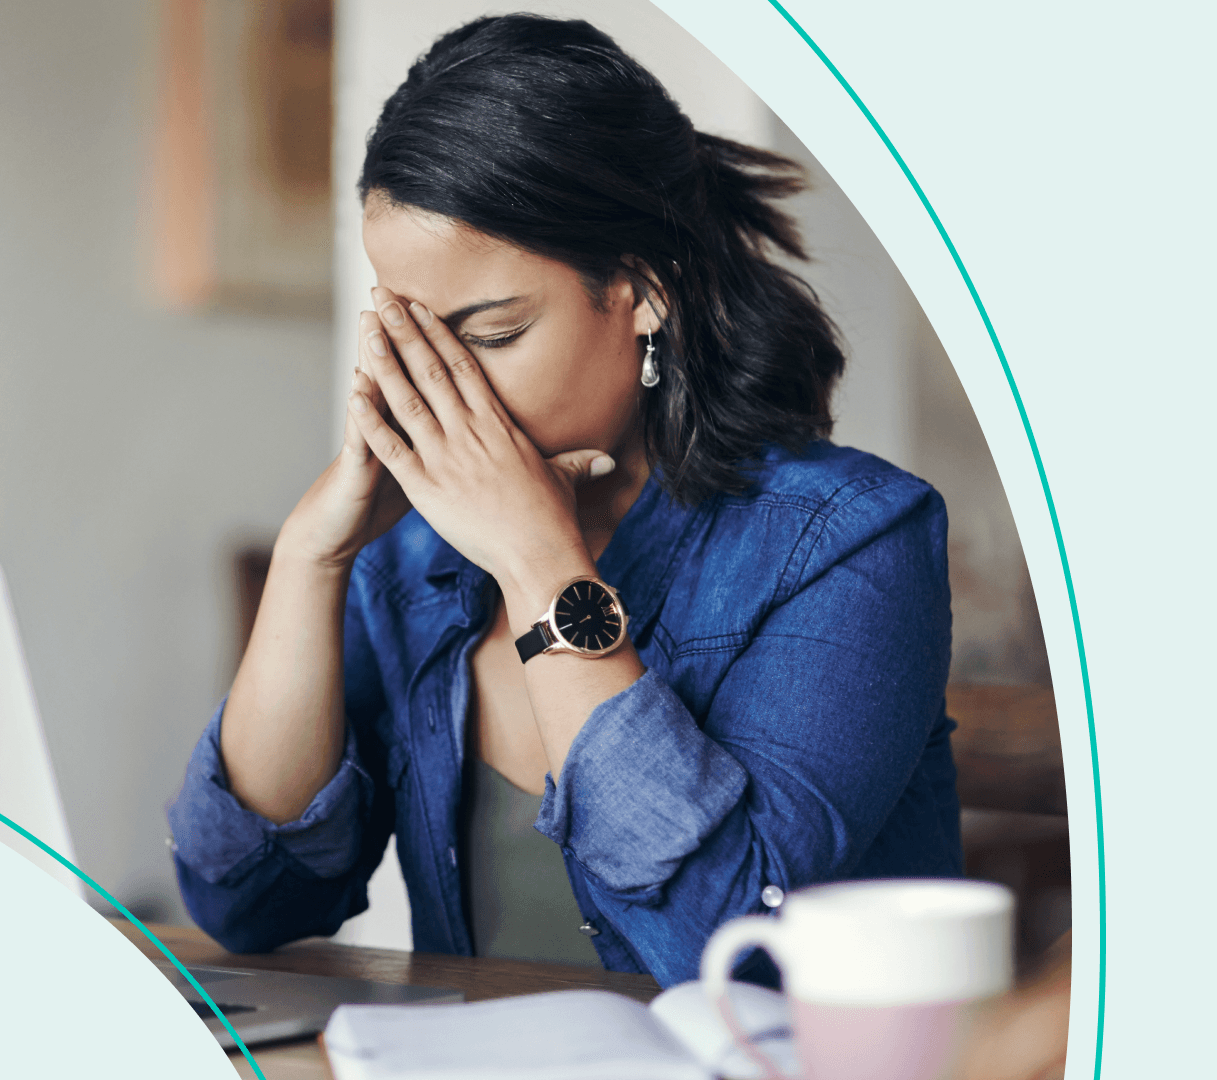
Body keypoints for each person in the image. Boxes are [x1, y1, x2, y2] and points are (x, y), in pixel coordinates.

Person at [167, 13, 962, 987]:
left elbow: (718, 950)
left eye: (492, 333)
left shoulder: (849, 541)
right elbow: (247, 904)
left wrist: (541, 563)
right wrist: (312, 559)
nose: (446, 389)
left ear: (642, 288)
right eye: (416, 338)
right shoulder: (414, 560)